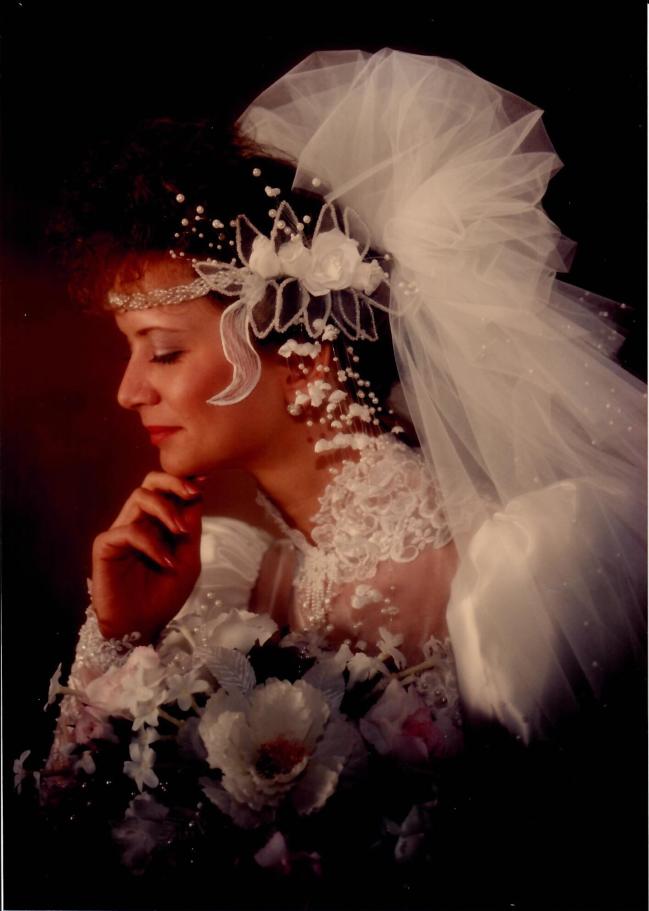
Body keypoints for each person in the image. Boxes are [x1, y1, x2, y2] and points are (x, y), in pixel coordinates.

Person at [41, 48, 646, 898]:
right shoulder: (218, 575)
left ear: (306, 356)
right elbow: (65, 845)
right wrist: (121, 639)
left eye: (164, 351)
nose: (128, 390)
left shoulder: (526, 567)